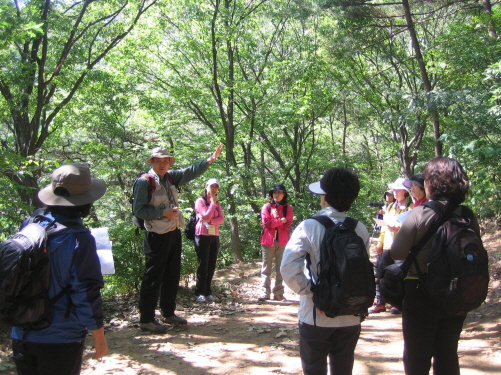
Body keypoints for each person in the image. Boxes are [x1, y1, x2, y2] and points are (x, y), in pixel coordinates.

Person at [11, 163, 108, 375]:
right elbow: (85, 291)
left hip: (20, 332)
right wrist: (99, 337)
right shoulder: (78, 238)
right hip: (60, 339)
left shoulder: (30, 224)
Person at [391, 157, 476, 375]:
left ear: (431, 182)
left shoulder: (421, 212)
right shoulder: (466, 214)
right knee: (448, 352)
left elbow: (398, 252)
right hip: (457, 292)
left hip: (420, 290)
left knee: (417, 356)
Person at [281, 168, 370, 375]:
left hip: (315, 317)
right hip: (351, 315)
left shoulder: (309, 226)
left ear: (325, 196)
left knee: (314, 369)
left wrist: (314, 293)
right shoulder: (359, 228)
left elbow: (288, 268)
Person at [132, 144, 223, 333]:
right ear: (153, 162)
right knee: (153, 275)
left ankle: (168, 312)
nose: (163, 164)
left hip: (173, 231)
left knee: (172, 273)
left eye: (166, 161)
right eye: (159, 161)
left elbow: (190, 171)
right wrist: (162, 212)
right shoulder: (145, 182)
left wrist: (209, 160)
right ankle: (147, 319)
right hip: (156, 234)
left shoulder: (170, 177)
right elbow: (138, 210)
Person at [370, 177, 412, 314]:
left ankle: (397, 303)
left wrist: (398, 229)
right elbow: (384, 227)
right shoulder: (389, 207)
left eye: (397, 190)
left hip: (400, 246)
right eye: (393, 189)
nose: (394, 192)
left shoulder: (410, 208)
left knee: (399, 276)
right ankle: (380, 302)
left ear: (405, 192)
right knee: (380, 274)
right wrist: (380, 243)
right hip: (387, 245)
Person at [258, 183, 293, 302]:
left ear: (284, 194)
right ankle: (265, 293)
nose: (276, 195)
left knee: (280, 269)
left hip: (282, 242)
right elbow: (266, 224)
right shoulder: (266, 207)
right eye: (274, 192)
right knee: (266, 269)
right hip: (268, 241)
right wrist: (280, 220)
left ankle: (278, 293)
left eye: (279, 192)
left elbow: (287, 225)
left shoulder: (288, 208)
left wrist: (276, 221)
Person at [194, 178, 225, 303]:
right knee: (203, 264)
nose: (213, 189)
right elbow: (205, 215)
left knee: (211, 264)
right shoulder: (200, 201)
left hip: (214, 235)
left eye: (216, 187)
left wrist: (211, 221)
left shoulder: (217, 203)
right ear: (206, 186)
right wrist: (212, 204)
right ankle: (199, 292)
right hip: (202, 235)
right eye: (211, 186)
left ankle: (207, 291)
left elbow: (221, 219)